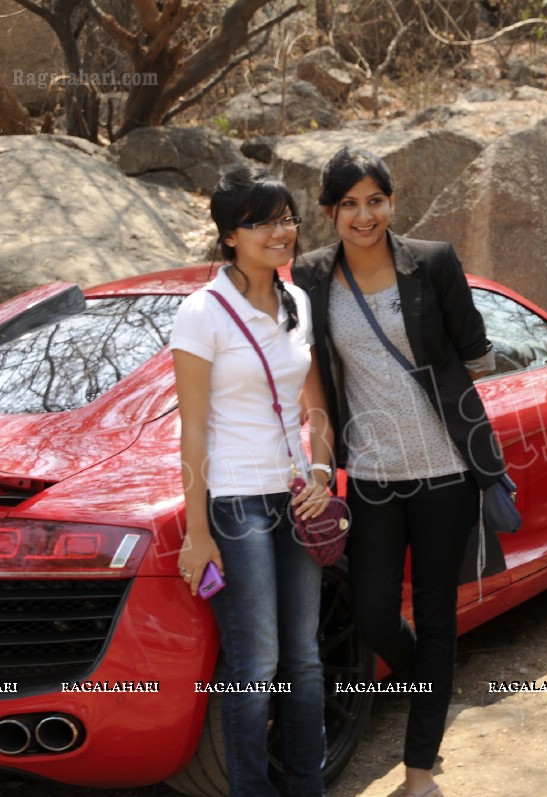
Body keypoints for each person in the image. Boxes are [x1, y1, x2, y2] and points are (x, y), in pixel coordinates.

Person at [292, 146, 504, 797]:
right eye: (349, 203)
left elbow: (478, 356)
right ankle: (432, 685)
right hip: (376, 479)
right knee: (377, 614)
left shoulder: (432, 262)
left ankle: (419, 772)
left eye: (375, 200)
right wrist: (322, 467)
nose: (364, 215)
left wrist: (436, 392)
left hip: (445, 474)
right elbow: (318, 393)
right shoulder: (310, 278)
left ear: (391, 201)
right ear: (329, 211)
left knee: (437, 617)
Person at [171, 166, 334, 797]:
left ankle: (306, 788)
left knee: (305, 659)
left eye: (288, 217)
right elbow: (191, 431)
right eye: (263, 220)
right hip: (236, 503)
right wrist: (197, 531)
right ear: (229, 235)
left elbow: (314, 403)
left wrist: (320, 472)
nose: (281, 231)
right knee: (255, 664)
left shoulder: (298, 303)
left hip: (293, 497)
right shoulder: (201, 313)